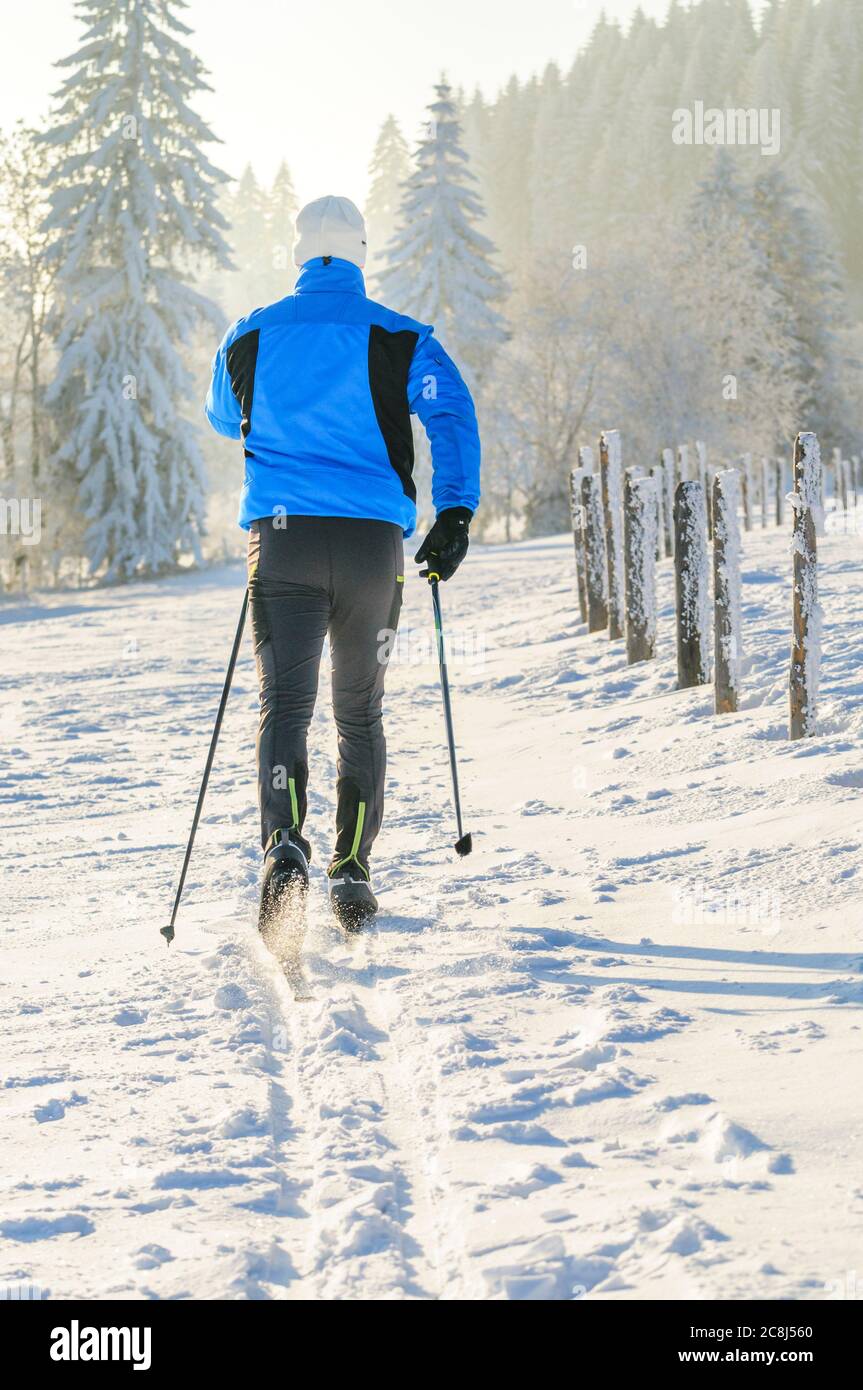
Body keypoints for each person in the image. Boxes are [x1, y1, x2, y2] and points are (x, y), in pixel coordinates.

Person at [204, 195, 480, 930]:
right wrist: (454, 511)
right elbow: (450, 411)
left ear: (299, 253)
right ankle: (351, 870)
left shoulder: (250, 333)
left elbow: (218, 413)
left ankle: (283, 846)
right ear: (359, 251)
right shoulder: (401, 334)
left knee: (283, 710)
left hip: (282, 541)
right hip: (369, 547)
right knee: (359, 713)